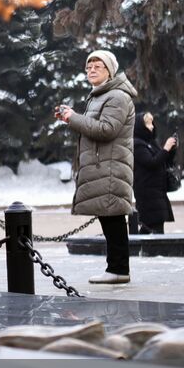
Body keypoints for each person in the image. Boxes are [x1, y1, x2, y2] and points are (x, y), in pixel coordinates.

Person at [55, 49, 137, 284]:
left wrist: (73, 117)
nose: (91, 70)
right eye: (88, 67)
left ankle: (118, 269)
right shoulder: (100, 96)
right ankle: (116, 268)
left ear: (109, 71)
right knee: (108, 217)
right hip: (103, 166)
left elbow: (106, 130)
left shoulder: (117, 97)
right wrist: (71, 118)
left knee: (113, 218)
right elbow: (94, 125)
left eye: (97, 67)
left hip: (111, 167)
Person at [132, 111, 177, 234]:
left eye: (152, 123)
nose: (152, 126)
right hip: (147, 194)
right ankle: (146, 252)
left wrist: (171, 151)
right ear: (140, 127)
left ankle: (143, 251)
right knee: (152, 229)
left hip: (157, 193)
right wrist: (165, 149)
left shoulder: (151, 143)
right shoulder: (137, 145)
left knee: (153, 228)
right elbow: (152, 163)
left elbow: (162, 161)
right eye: (147, 124)